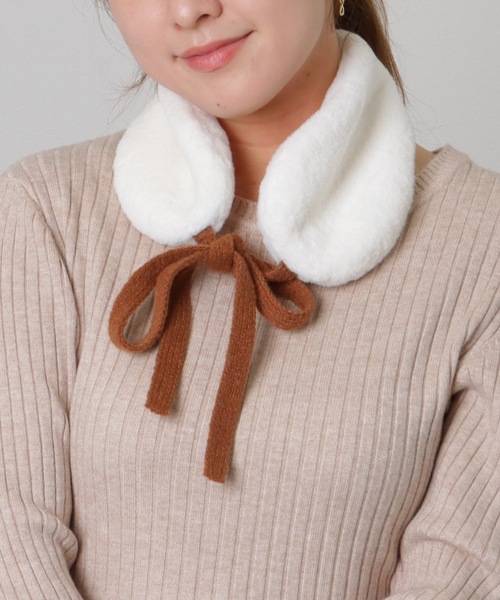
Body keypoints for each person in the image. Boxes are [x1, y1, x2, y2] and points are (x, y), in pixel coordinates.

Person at [1, 0, 499, 598]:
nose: (188, 10)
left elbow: (467, 569)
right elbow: (12, 537)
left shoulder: (484, 247)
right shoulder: (47, 212)